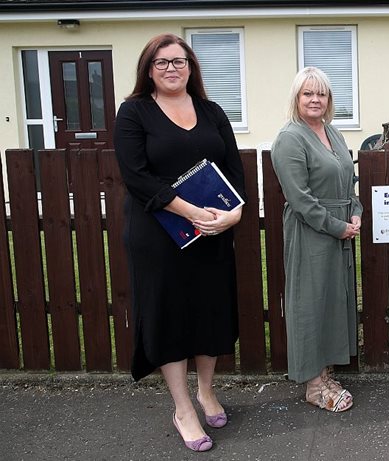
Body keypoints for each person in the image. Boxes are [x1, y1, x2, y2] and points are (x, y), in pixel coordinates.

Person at [114, 33, 245, 452]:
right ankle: (183, 406)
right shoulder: (134, 112)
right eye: (162, 62)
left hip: (212, 232)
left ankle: (206, 390)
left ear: (191, 66)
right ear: (148, 70)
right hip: (159, 234)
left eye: (179, 61)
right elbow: (136, 176)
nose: (172, 69)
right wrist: (190, 212)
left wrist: (234, 214)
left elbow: (233, 168)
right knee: (169, 316)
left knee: (209, 312)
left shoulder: (212, 111)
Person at [270, 67, 362, 413]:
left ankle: (326, 374)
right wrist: (337, 226)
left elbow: (348, 182)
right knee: (310, 304)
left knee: (332, 302)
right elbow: (300, 198)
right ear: (297, 98)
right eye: (308, 93)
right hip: (311, 232)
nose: (315, 99)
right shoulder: (290, 138)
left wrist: (355, 212)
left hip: (339, 228)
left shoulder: (332, 132)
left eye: (321, 93)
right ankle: (312, 385)